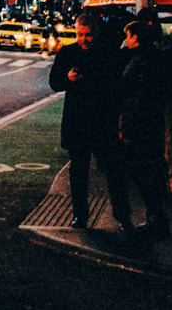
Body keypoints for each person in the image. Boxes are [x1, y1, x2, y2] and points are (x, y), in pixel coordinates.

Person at [51, 13, 130, 232]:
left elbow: (116, 86)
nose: (84, 39)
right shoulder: (68, 53)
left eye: (88, 35)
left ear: (95, 33)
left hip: (102, 121)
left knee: (113, 171)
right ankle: (80, 215)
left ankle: (122, 215)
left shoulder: (106, 53)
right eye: (80, 35)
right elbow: (54, 82)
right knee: (79, 172)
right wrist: (67, 78)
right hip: (78, 121)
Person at [117, 18, 172, 238]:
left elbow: (134, 90)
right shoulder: (152, 56)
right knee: (148, 167)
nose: (126, 40)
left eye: (128, 35)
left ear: (136, 37)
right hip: (148, 121)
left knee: (141, 168)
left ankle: (156, 215)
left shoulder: (142, 60)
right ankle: (155, 215)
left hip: (140, 123)